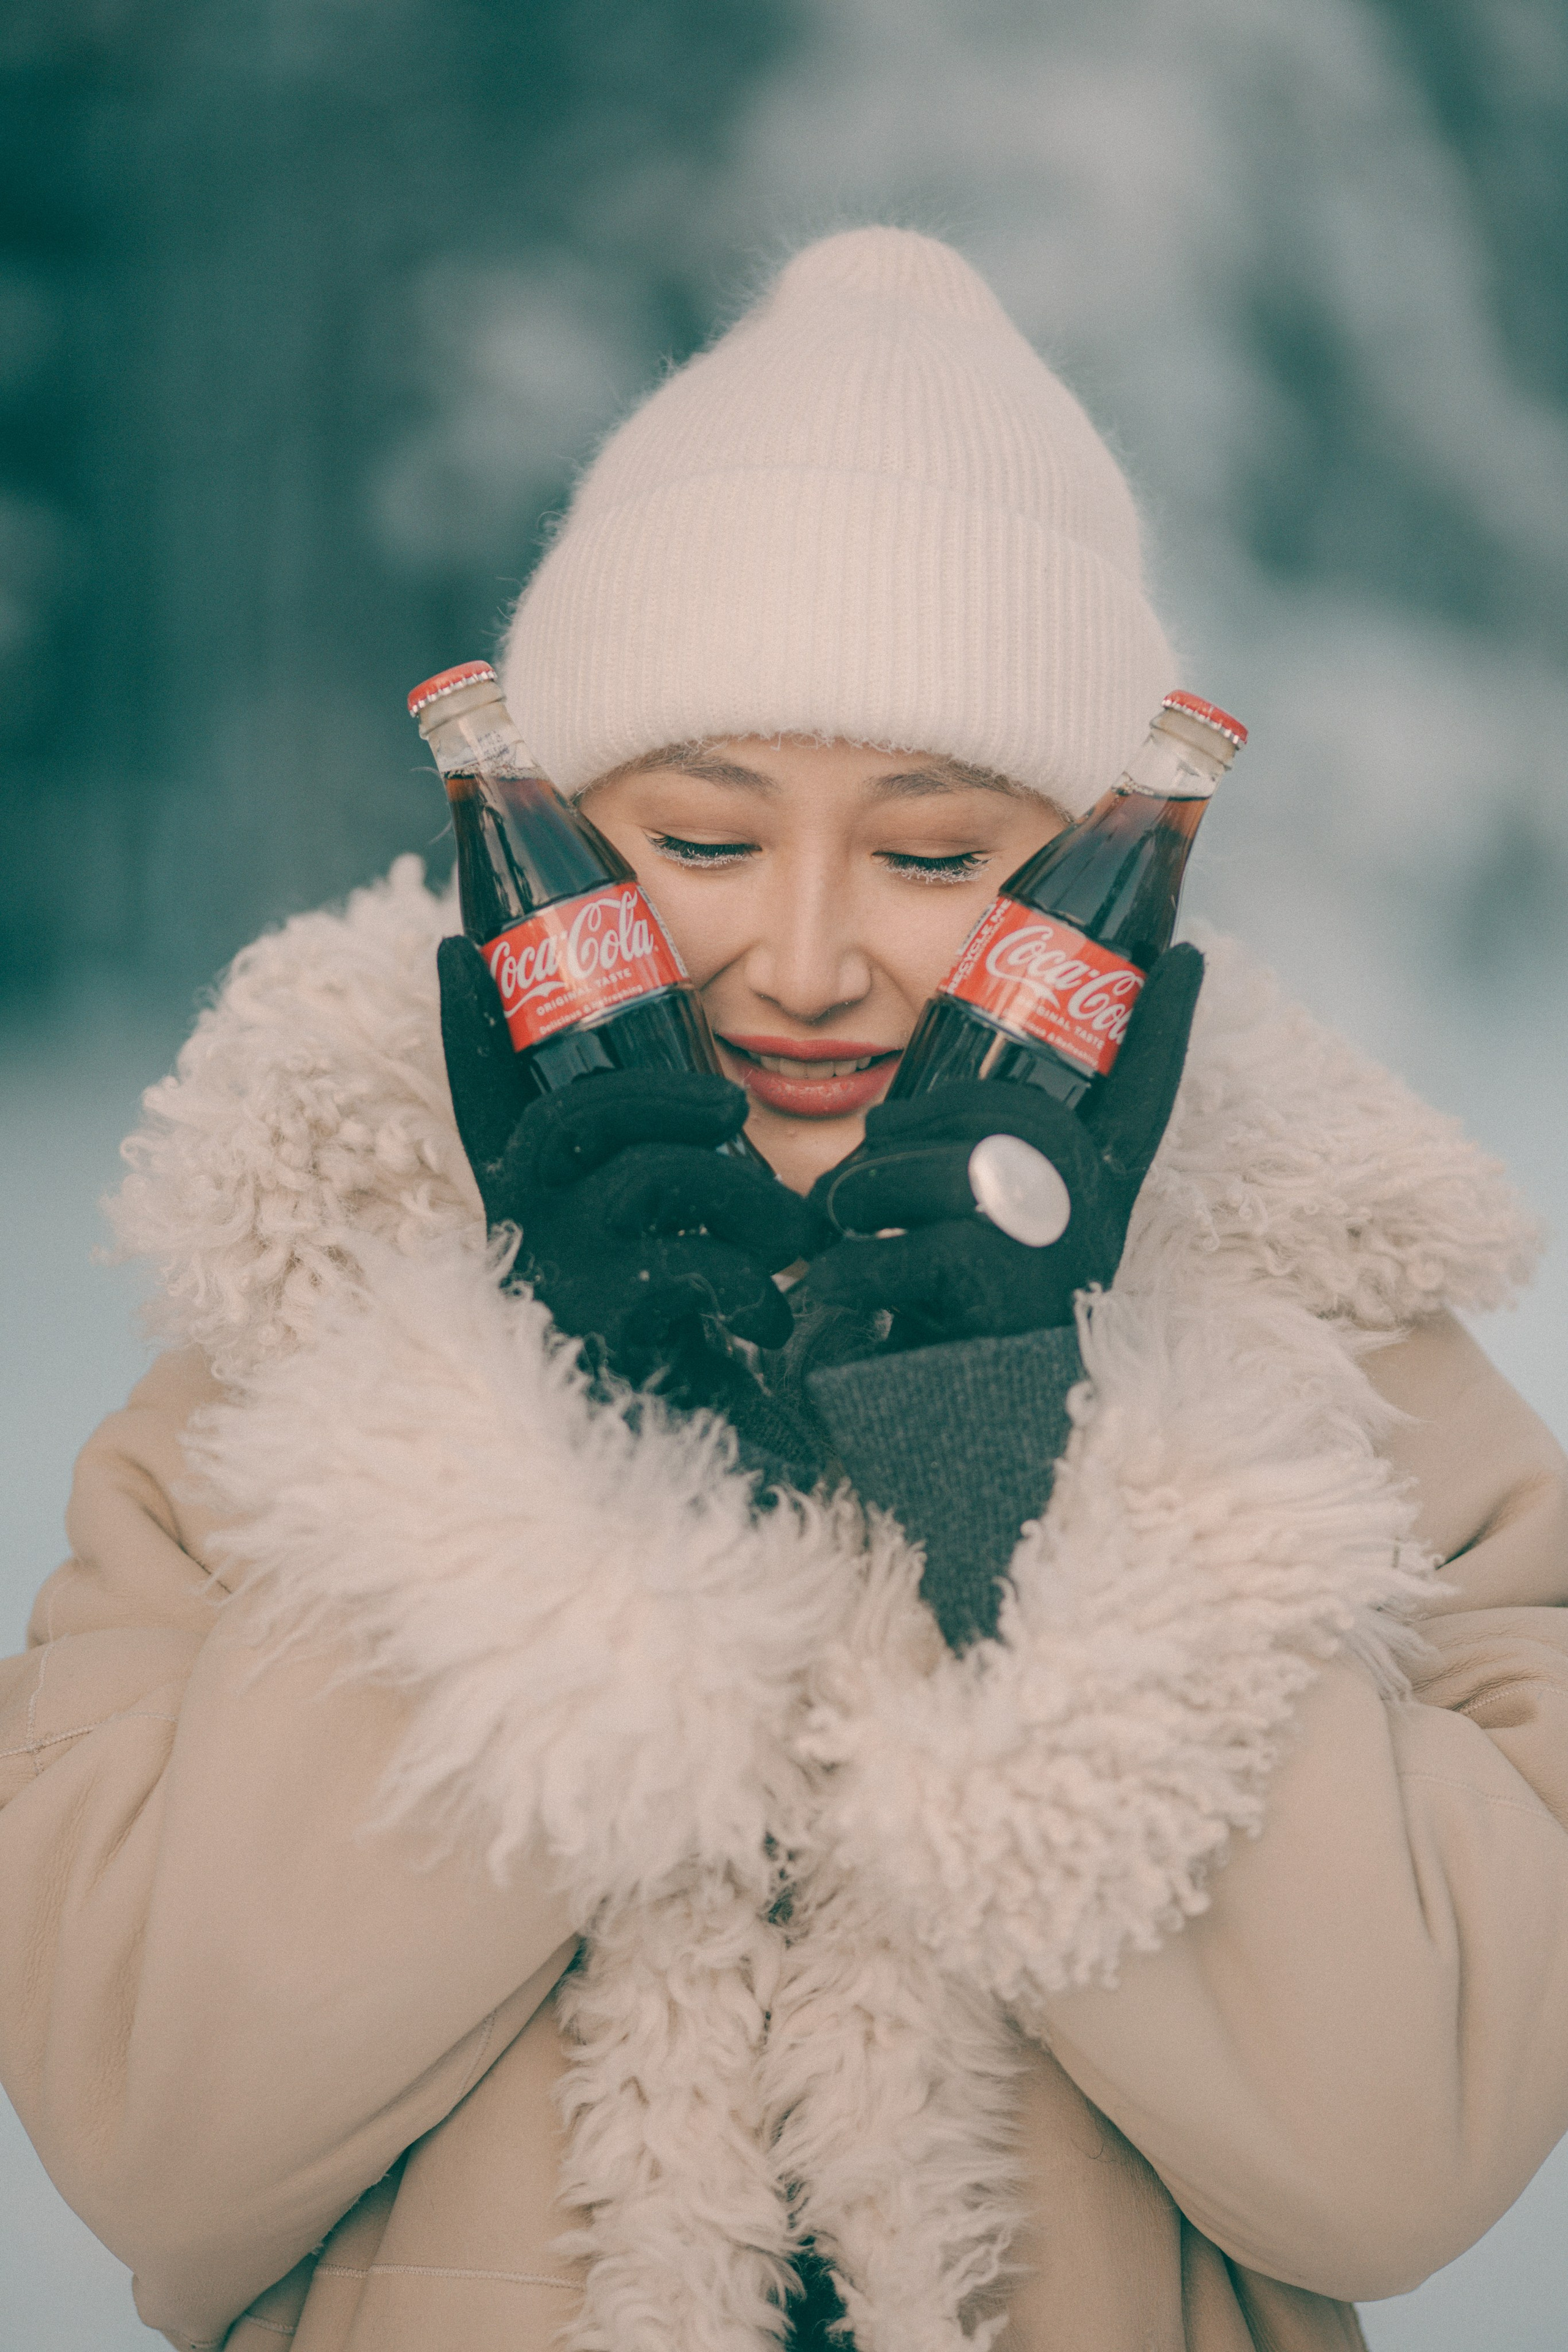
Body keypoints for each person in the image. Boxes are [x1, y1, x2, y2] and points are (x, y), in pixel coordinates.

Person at [2, 227, 1566, 2352]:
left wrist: (1014, 1501)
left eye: (936, 859)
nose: (810, 963)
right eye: (704, 843)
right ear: (549, 838)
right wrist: (562, 1446)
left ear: (1093, 880)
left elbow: (1400, 2159)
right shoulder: (293, 1321)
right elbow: (148, 2131)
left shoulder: (1353, 1364)